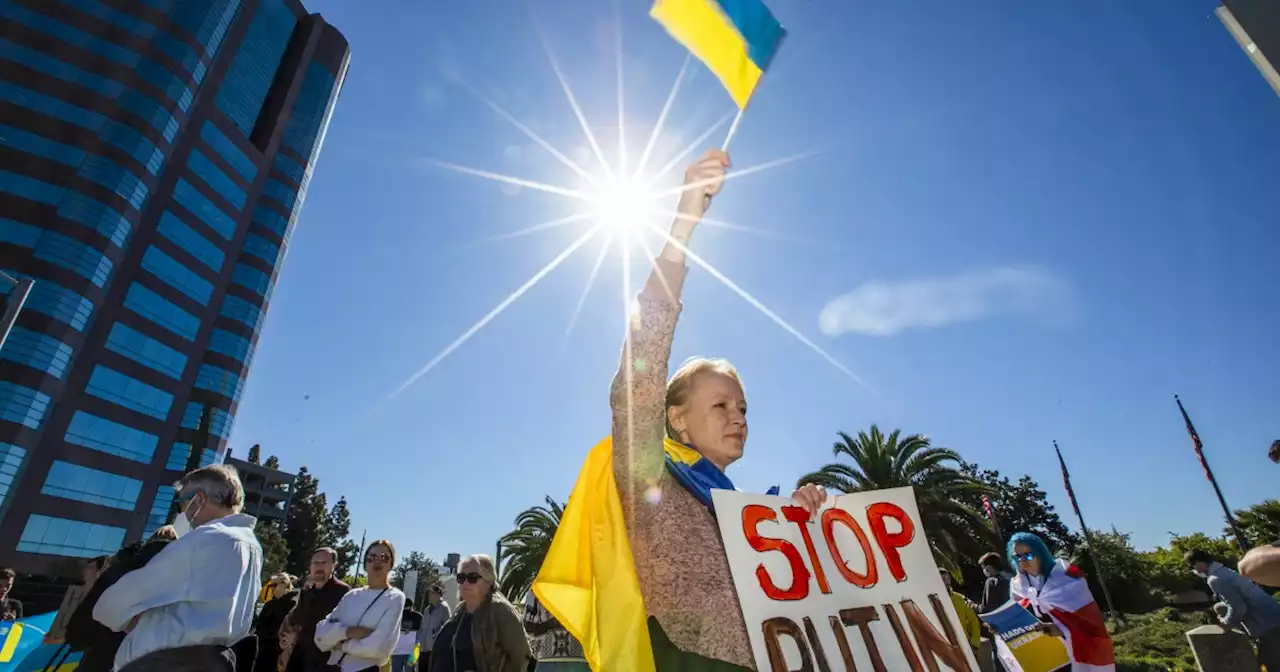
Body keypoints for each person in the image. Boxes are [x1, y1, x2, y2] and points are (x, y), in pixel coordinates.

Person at [606, 148, 828, 670]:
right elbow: (638, 375)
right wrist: (683, 223)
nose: (739, 418)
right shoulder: (648, 484)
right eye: (722, 404)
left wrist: (808, 522)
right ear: (676, 417)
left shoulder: (748, 512)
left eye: (744, 407)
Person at [93, 464, 264, 671]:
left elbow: (123, 597)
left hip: (162, 662)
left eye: (181, 503)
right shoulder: (252, 547)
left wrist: (125, 620)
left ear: (199, 499)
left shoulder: (207, 539)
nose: (182, 512)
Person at [66, 527, 178, 672]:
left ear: (150, 541)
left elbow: (83, 628)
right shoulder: (179, 580)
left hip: (99, 658)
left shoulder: (121, 568)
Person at [1008, 532, 1114, 672]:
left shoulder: (1067, 578)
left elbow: (1089, 622)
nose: (1022, 561)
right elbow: (1016, 617)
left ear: (1040, 553)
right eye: (1017, 557)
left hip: (1071, 650)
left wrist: (1062, 630)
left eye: (1028, 555)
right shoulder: (1017, 585)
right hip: (1042, 654)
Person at [315, 540, 405, 672]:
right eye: (372, 557)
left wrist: (339, 644)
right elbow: (320, 635)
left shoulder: (395, 598)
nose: (377, 561)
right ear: (365, 563)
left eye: (385, 557)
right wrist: (348, 631)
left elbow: (379, 647)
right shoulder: (351, 596)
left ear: (391, 564)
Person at [430, 554, 529, 672]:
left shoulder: (501, 610)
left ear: (488, 580)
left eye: (472, 577)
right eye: (461, 577)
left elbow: (520, 657)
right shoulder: (460, 611)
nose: (465, 583)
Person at [1185, 548, 1280, 669]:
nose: (1194, 570)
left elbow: (1238, 608)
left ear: (1199, 563)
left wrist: (1225, 623)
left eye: (1192, 566)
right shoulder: (1226, 571)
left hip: (1266, 626)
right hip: (1273, 617)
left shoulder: (1215, 579)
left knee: (1272, 664)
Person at [284, 548, 351, 672]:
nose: (319, 567)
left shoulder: (343, 592)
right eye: (316, 563)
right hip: (300, 659)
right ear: (310, 566)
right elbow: (296, 620)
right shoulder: (307, 592)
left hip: (326, 663)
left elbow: (339, 632)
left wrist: (298, 637)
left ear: (334, 565)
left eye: (324, 562)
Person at [256, 574, 299, 672]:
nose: (273, 588)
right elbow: (260, 625)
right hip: (263, 651)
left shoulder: (293, 605)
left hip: (282, 651)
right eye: (272, 586)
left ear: (285, 585)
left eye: (275, 585)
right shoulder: (269, 605)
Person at [941, 569, 982, 655]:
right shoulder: (933, 600)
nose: (947, 582)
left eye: (948, 579)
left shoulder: (960, 598)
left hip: (966, 646)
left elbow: (973, 621)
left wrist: (974, 644)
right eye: (943, 579)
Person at [419, 585, 452, 670]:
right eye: (430, 593)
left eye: (433, 593)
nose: (430, 595)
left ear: (438, 595)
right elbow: (423, 626)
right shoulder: (427, 609)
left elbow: (447, 627)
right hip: (423, 647)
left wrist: (435, 635)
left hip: (435, 648)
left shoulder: (444, 607)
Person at [391, 598, 422, 672]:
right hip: (398, 650)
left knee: (409, 669)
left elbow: (421, 631)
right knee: (396, 669)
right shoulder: (396, 615)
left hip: (411, 650)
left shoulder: (418, 617)